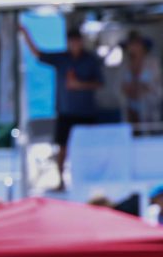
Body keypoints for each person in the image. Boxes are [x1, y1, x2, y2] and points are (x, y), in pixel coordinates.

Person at [19, 21, 104, 189]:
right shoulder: (62, 59)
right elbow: (38, 54)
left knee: (87, 148)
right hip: (65, 112)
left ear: (81, 41)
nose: (75, 44)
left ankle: (89, 179)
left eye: (77, 40)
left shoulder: (90, 60)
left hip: (86, 112)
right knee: (62, 148)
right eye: (71, 41)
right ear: (68, 42)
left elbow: (100, 83)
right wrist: (25, 33)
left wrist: (80, 85)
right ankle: (61, 180)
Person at [117, 32, 163, 126]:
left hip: (149, 108)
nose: (133, 47)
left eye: (136, 44)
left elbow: (159, 87)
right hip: (129, 109)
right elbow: (118, 87)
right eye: (131, 44)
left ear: (143, 46)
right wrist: (126, 90)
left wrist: (144, 88)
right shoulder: (124, 65)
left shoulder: (153, 63)